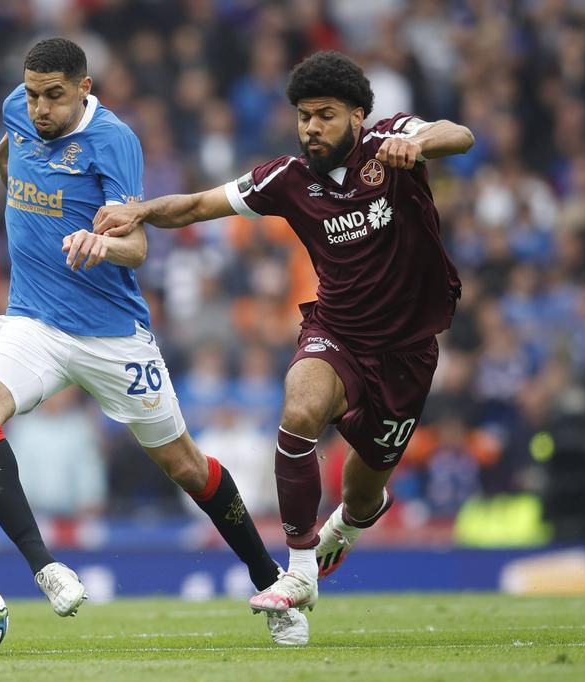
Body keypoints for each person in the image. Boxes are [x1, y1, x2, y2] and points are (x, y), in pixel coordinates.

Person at [85, 51, 474, 615]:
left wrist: (419, 145)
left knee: (364, 496)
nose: (312, 127)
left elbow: (457, 134)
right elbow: (198, 205)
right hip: (337, 332)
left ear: (359, 116)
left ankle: (349, 523)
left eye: (326, 115)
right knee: (297, 412)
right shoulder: (286, 179)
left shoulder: (391, 140)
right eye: (304, 115)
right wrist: (141, 212)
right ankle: (298, 570)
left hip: (407, 353)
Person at [0, 38, 308, 646]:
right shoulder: (19, 107)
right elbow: (9, 154)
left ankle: (271, 579)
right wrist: (12, 179)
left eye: (54, 96)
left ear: (84, 88)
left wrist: (100, 244)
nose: (39, 107)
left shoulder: (114, 141)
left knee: (187, 467)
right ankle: (46, 567)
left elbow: (137, 246)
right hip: (33, 322)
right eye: (33, 93)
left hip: (113, 336)